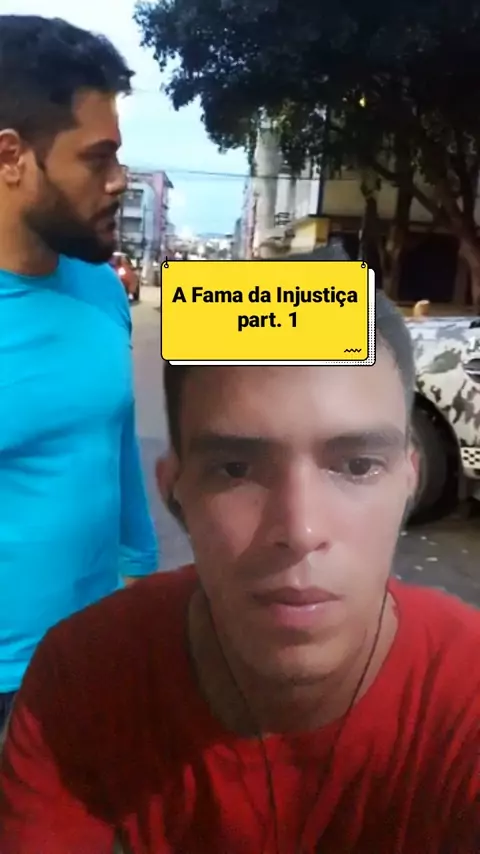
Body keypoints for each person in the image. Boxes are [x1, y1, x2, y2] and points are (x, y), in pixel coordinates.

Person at [1, 290, 480, 854]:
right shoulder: (83, 677)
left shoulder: (467, 697)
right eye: (235, 469)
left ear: (409, 482)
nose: (299, 529)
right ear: (174, 492)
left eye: (357, 466)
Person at [0, 16, 159, 733]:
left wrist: (139, 582)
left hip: (93, 659)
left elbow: (115, 443)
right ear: (12, 157)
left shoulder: (99, 287)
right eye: (98, 159)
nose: (119, 181)